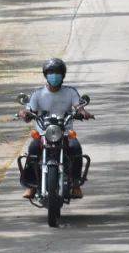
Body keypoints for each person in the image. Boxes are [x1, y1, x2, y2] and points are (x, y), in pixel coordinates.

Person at [18, 57, 94, 199]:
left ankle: (76, 184)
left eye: (58, 72)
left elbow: (78, 106)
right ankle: (31, 186)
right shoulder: (38, 93)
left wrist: (83, 113)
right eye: (51, 72)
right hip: (43, 133)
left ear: (63, 75)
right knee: (33, 149)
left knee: (75, 147)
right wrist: (25, 114)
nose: (54, 76)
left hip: (65, 132)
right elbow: (30, 110)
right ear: (46, 75)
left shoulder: (70, 92)